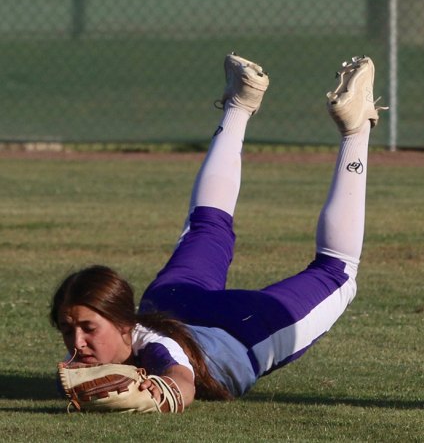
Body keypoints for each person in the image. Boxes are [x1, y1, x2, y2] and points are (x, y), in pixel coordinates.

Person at [50, 53, 386, 409]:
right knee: (208, 224)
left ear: (122, 323)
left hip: (244, 327)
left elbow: (181, 380)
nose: (77, 342)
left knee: (338, 270)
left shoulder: (156, 346)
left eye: (88, 327)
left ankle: (356, 129)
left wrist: (161, 396)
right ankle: (239, 103)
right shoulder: (95, 355)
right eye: (67, 329)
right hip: (172, 301)